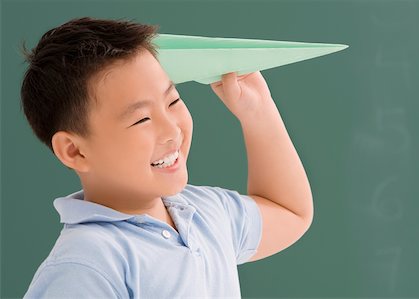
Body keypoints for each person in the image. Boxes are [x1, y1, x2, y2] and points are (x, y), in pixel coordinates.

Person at [21, 16, 314, 298]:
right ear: (75, 150)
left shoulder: (204, 214)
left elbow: (289, 211)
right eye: (142, 119)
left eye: (173, 100)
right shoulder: (84, 267)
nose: (172, 129)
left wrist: (258, 112)